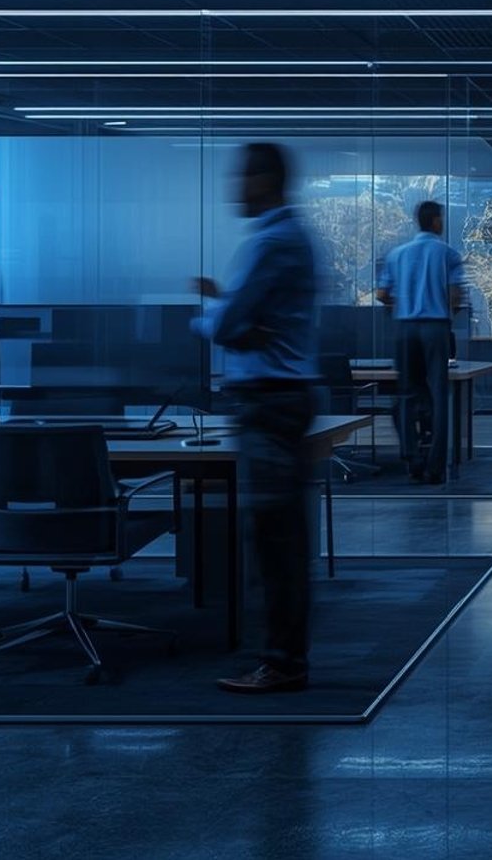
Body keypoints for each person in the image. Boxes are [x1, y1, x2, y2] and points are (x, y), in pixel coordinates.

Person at [194, 143, 321, 694]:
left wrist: (219, 312)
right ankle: (282, 656)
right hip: (276, 396)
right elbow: (242, 322)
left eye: (242, 177)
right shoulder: (283, 239)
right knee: (277, 533)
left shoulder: (272, 241)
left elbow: (226, 328)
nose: (233, 188)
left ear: (267, 180)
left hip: (271, 399)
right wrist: (235, 314)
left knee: (276, 538)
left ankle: (283, 662)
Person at [377, 200, 467, 484]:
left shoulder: (397, 254)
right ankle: (435, 467)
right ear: (436, 221)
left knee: (406, 393)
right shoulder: (448, 254)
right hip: (435, 326)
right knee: (439, 395)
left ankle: (411, 457)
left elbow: (381, 294)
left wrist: (400, 308)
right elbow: (455, 296)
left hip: (405, 328)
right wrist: (445, 317)